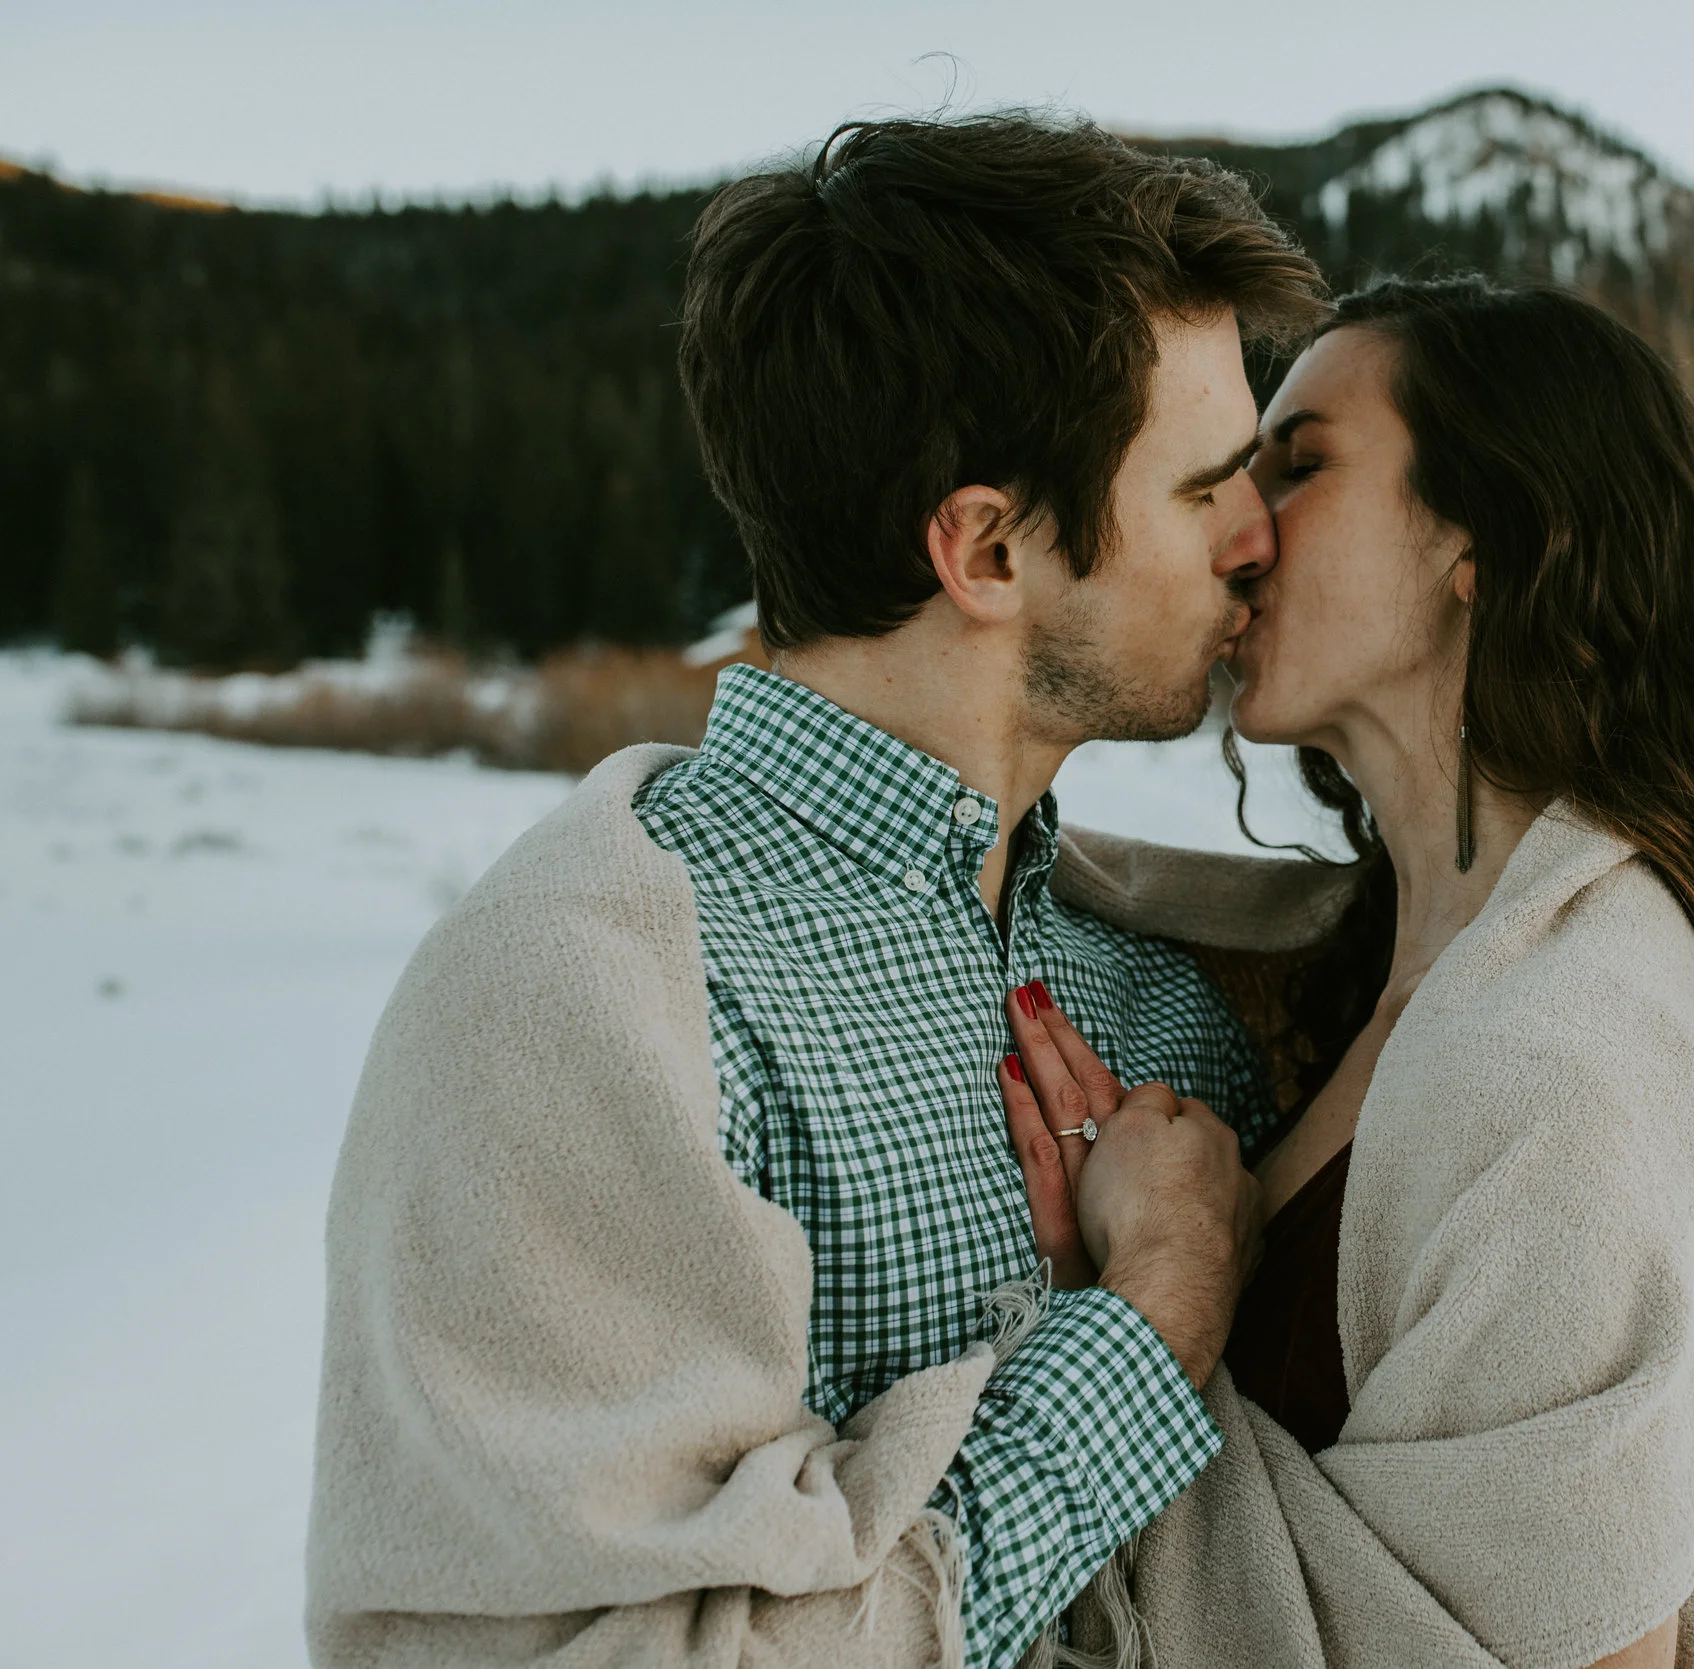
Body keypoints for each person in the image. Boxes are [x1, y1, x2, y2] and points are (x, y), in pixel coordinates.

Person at [304, 115, 1328, 1669]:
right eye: (1203, 490)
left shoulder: (1160, 984)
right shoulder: (587, 1001)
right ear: (989, 549)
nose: (1258, 537)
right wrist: (1153, 1320)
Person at [1002, 277, 1694, 1666]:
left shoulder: (1571, 1051)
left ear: (1486, 539)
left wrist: (1149, 1298)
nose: (1239, 528)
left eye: (1301, 464)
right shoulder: (1394, 962)